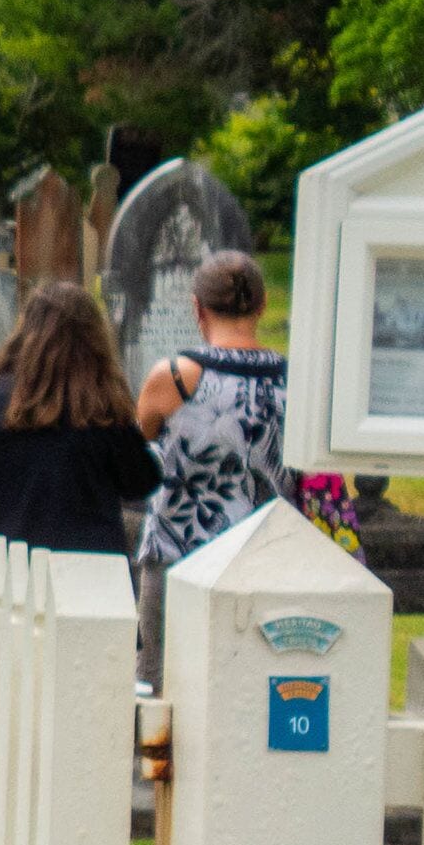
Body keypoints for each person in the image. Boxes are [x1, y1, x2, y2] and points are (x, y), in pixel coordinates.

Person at [132, 250, 286, 688]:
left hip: (176, 552)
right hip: (260, 560)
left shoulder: (174, 378)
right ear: (262, 305)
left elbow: (141, 437)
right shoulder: (291, 380)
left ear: (197, 309)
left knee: (161, 691)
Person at [0, 284, 160, 556]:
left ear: (25, 332)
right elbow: (141, 482)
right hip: (91, 570)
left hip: (4, 566)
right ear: (94, 340)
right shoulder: (102, 411)